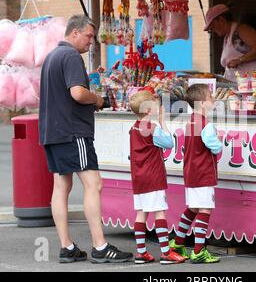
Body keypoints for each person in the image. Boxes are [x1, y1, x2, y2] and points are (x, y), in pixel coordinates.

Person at [39, 14, 133, 264]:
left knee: (61, 188)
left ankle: (67, 247)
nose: (91, 42)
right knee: (94, 184)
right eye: (89, 36)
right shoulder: (70, 56)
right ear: (74, 33)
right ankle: (100, 246)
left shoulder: (51, 57)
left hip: (53, 132)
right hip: (73, 132)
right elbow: (78, 93)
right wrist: (98, 99)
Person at [128, 90, 185, 265]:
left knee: (141, 212)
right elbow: (169, 142)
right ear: (147, 110)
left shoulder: (134, 127)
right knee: (159, 211)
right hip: (153, 176)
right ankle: (166, 253)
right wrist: (162, 121)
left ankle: (141, 252)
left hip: (138, 176)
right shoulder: (152, 129)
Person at [169, 84, 223, 263]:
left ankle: (177, 242)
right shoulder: (206, 125)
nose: (213, 99)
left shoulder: (190, 121)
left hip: (191, 171)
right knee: (205, 209)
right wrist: (219, 142)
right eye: (210, 97)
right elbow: (213, 145)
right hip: (203, 172)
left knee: (193, 208)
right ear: (202, 103)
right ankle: (199, 250)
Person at [204, 4, 256, 85]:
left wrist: (240, 60)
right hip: (241, 85)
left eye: (213, 26)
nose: (213, 30)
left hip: (254, 85)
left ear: (221, 20)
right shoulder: (227, 37)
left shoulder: (241, 30)